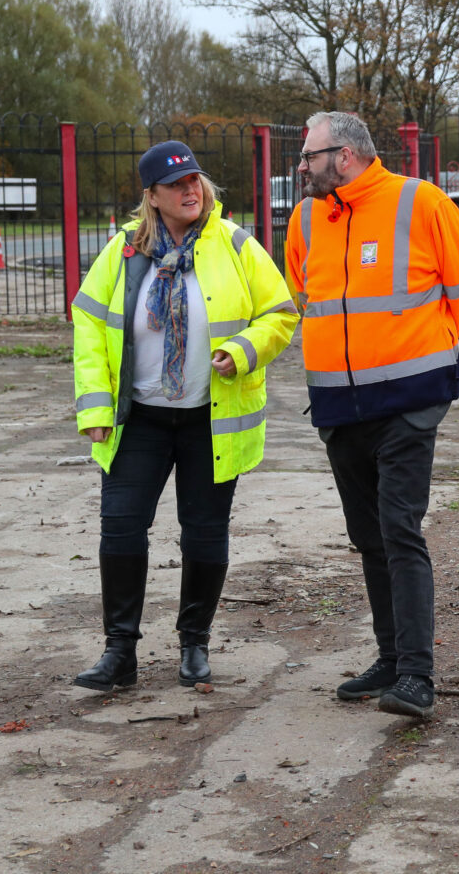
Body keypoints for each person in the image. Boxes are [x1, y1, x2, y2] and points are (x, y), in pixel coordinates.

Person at [284, 111, 459, 721]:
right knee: (368, 536)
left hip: (408, 401)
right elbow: (306, 291)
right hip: (338, 403)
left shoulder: (419, 202)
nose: (301, 166)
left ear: (344, 156)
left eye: (309, 155)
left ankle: (417, 677)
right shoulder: (305, 218)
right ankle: (389, 658)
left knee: (399, 529)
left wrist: (429, 342)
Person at [70, 140, 297, 692]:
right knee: (121, 528)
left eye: (194, 180)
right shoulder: (125, 250)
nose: (189, 190)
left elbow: (281, 314)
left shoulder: (236, 245)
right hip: (139, 419)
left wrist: (243, 350)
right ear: (152, 196)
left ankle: (194, 644)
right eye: (175, 185)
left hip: (209, 420)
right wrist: (97, 406)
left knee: (204, 532)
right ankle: (119, 652)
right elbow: (90, 323)